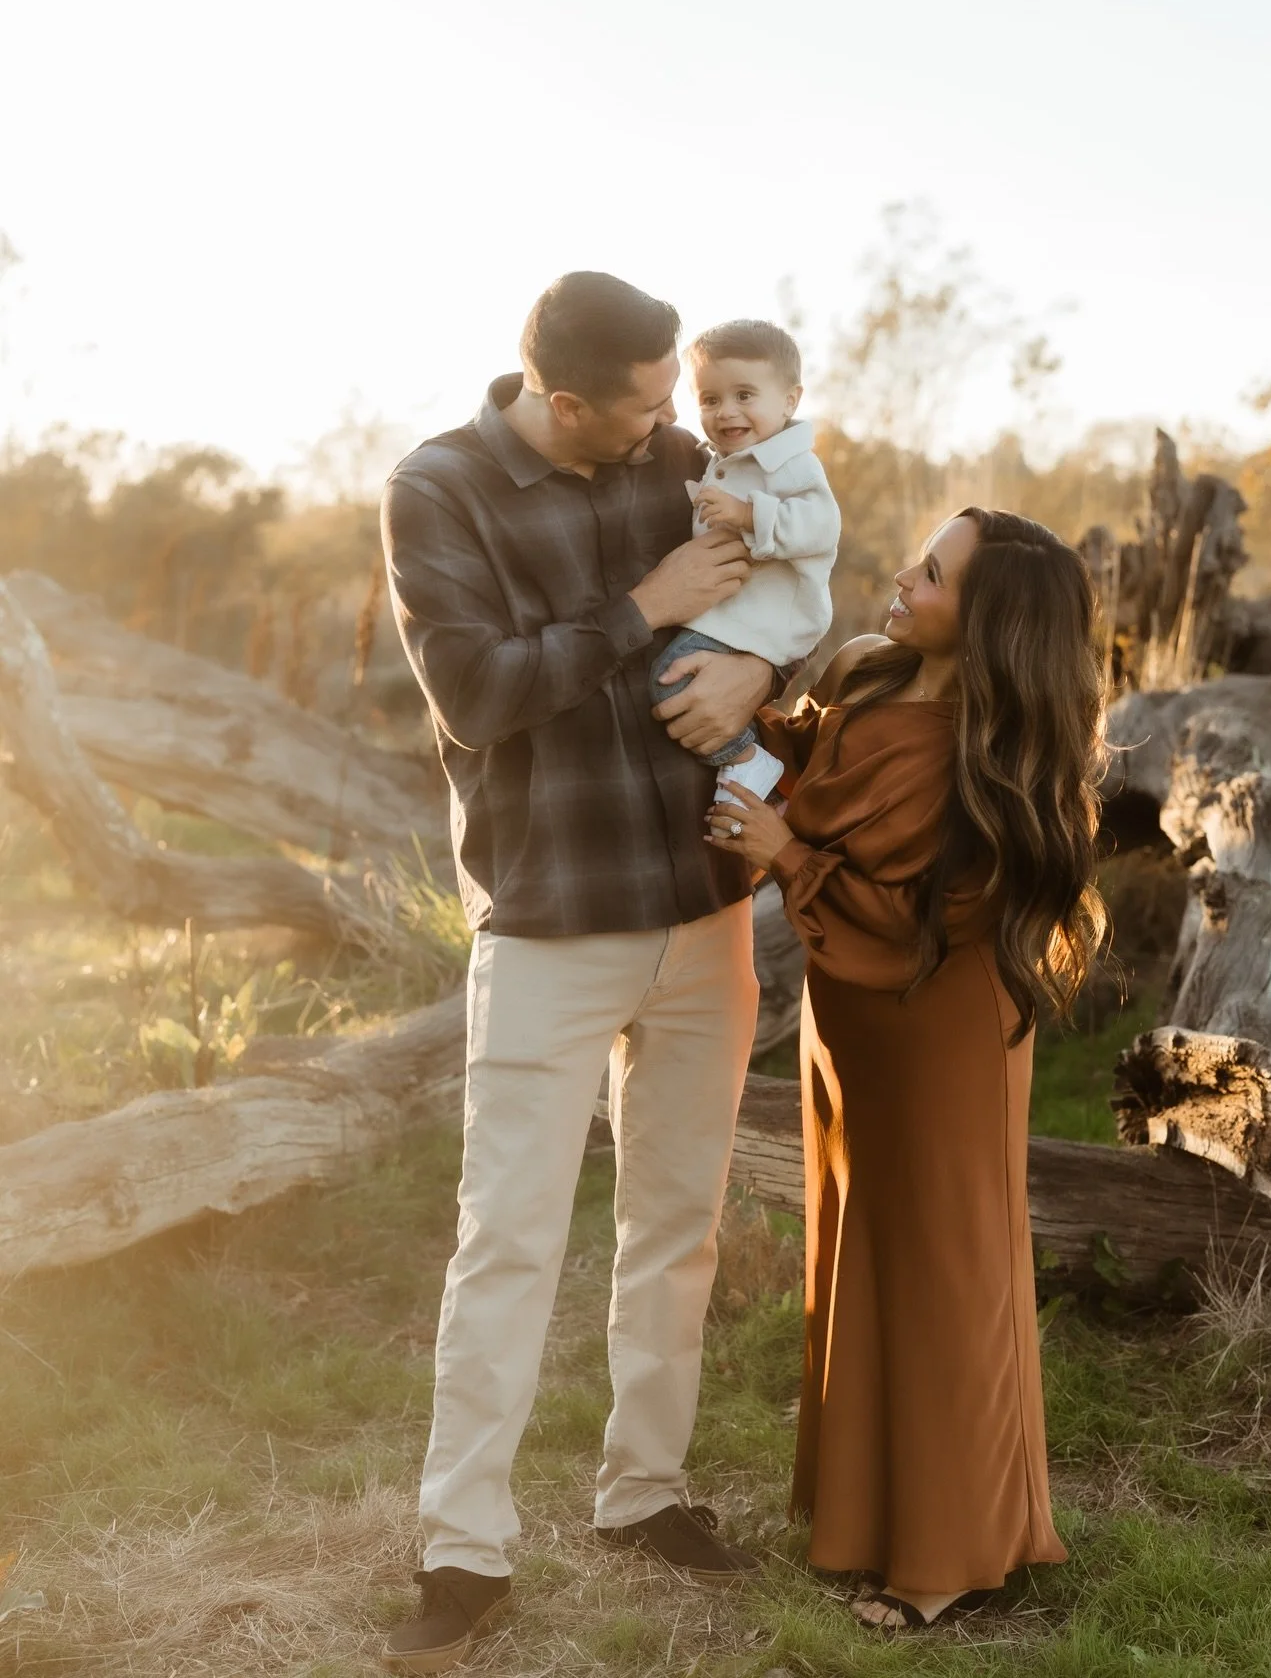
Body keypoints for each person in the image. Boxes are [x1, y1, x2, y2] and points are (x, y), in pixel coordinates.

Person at [379, 272, 788, 1674]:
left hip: (702, 905)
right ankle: (465, 1549)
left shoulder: (681, 463)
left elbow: (768, 609)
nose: (678, 427)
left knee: (677, 1222)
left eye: (679, 398)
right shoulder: (438, 492)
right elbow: (478, 694)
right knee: (509, 1239)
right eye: (646, 404)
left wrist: (755, 683)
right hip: (552, 919)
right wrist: (641, 604)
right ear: (563, 402)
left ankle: (644, 1494)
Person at [706, 507, 1108, 1631]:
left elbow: (944, 910)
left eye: (930, 575)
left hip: (939, 1023)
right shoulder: (871, 676)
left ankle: (949, 1552)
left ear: (989, 627)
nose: (901, 579)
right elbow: (809, 756)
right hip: (850, 1016)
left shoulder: (999, 761)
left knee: (944, 1261)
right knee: (861, 1244)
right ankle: (868, 1514)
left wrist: (786, 854)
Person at [647, 320, 840, 803]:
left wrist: (747, 514)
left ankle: (748, 761)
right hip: (736, 614)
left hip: (768, 619)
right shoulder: (726, 457)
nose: (726, 411)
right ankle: (763, 797)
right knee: (682, 679)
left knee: (671, 678)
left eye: (745, 395)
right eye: (710, 400)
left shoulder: (792, 462)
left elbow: (821, 525)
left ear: (790, 401)